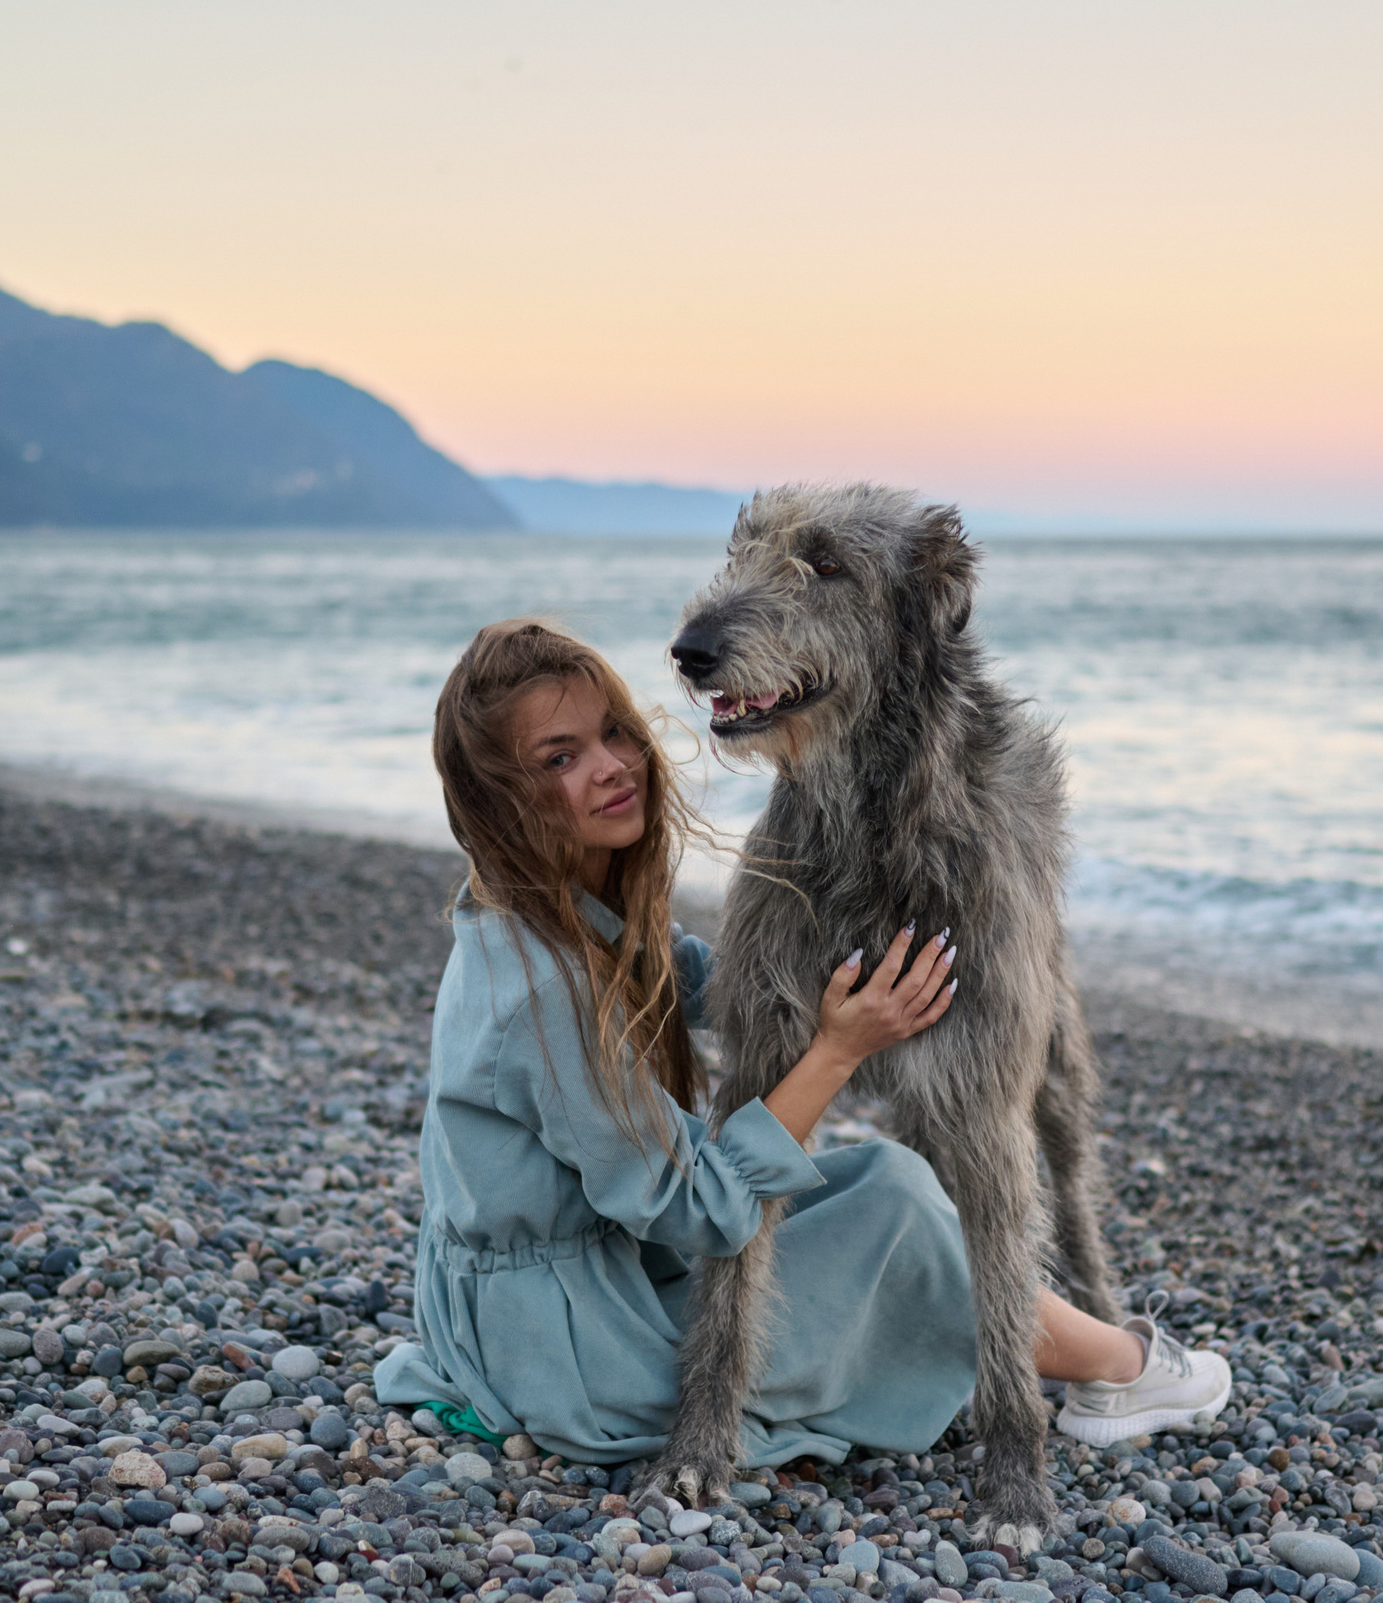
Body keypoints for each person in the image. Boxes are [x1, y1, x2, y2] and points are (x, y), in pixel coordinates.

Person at [372, 617, 1229, 1468]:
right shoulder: (539, 992)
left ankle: (1089, 1357)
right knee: (899, 1216)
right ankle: (1122, 1367)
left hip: (549, 1294)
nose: (612, 766)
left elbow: (696, 983)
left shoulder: (541, 911)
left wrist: (846, 936)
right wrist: (838, 1050)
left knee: (875, 1185)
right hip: (578, 1357)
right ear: (498, 800)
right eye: (560, 759)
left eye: (614, 733)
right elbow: (698, 1209)